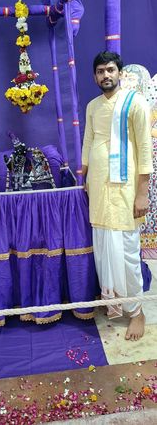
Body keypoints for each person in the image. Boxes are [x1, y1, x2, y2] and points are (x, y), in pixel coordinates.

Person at [82, 52, 153, 341]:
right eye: (100, 71)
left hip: (125, 191)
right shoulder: (92, 106)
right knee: (103, 248)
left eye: (110, 69)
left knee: (125, 251)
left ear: (120, 73)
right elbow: (89, 139)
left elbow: (145, 148)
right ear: (95, 76)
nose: (105, 75)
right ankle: (114, 302)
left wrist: (142, 193)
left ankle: (136, 311)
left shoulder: (134, 102)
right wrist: (83, 172)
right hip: (98, 188)